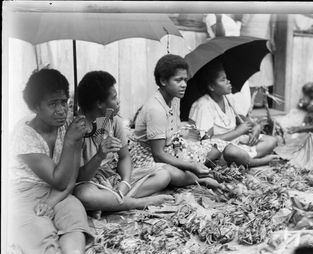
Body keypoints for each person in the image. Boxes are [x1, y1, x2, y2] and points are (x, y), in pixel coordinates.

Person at [9, 68, 93, 254]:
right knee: (32, 225)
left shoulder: (68, 125)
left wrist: (52, 200)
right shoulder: (24, 135)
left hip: (59, 190)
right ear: (36, 107)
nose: (61, 110)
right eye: (52, 104)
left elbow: (70, 178)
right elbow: (57, 177)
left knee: (75, 214)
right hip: (24, 191)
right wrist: (70, 142)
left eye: (64, 102)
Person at [73, 71, 174, 213]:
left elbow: (124, 157)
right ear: (100, 103)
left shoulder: (113, 120)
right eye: (114, 98)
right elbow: (79, 177)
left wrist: (125, 182)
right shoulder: (76, 129)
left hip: (112, 176)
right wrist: (100, 156)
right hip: (90, 182)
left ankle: (112, 201)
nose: (118, 101)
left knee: (163, 175)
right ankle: (137, 203)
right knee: (84, 195)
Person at [129, 54, 228, 188]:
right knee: (171, 173)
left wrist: (187, 135)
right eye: (178, 80)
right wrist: (191, 165)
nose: (184, 85)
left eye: (185, 80)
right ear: (163, 81)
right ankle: (198, 179)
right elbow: (158, 154)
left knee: (214, 150)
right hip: (148, 156)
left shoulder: (175, 98)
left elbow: (173, 131)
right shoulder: (155, 109)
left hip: (171, 147)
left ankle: (194, 174)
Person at [189, 61, 279, 167]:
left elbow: (243, 119)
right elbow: (207, 141)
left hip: (235, 143)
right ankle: (255, 162)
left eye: (227, 78)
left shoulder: (228, 98)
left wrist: (256, 127)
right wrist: (237, 132)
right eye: (223, 80)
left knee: (271, 141)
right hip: (220, 150)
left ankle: (244, 159)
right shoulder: (203, 105)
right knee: (232, 152)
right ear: (211, 87)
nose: (228, 82)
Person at [205, 13, 252, 117]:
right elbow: (220, 36)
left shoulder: (232, 15)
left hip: (236, 54)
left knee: (242, 90)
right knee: (229, 88)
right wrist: (219, 18)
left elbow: (236, 35)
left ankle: (241, 116)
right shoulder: (212, 15)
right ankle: (232, 117)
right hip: (223, 54)